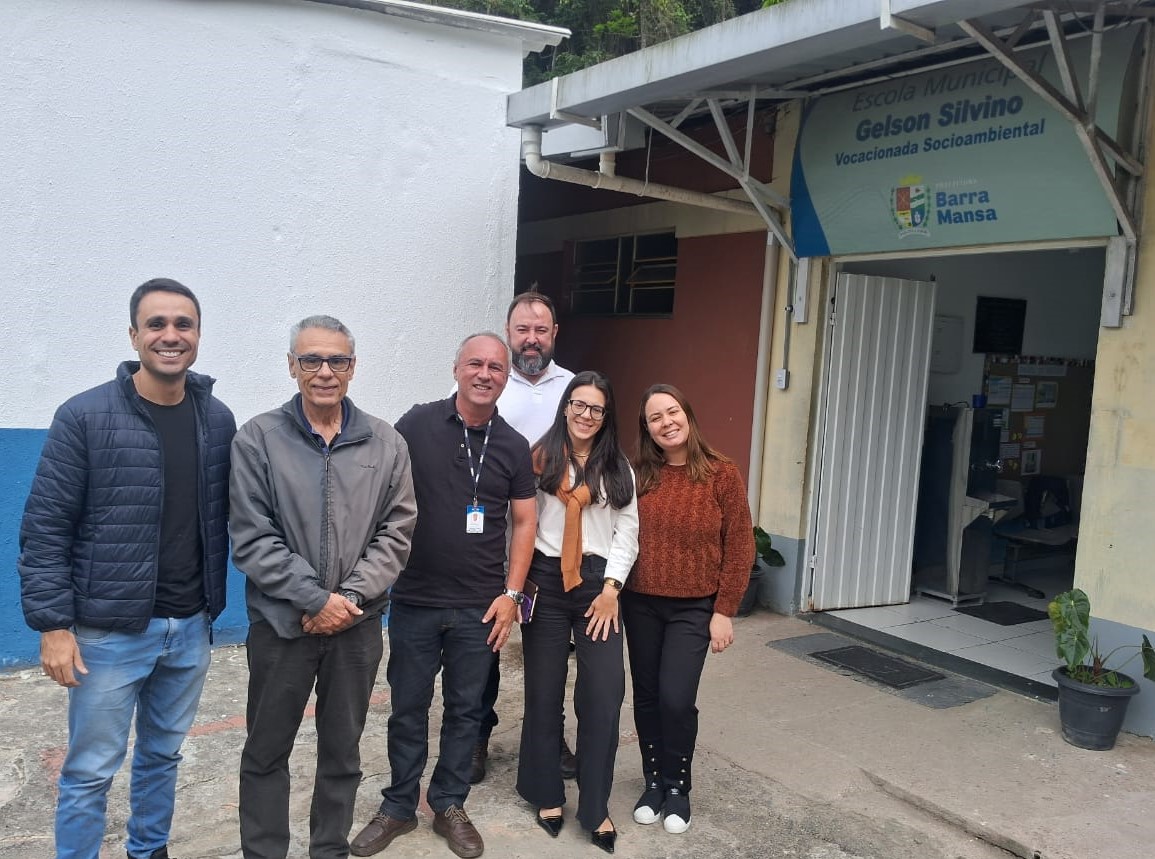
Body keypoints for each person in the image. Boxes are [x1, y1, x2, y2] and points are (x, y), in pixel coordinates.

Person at [17, 278, 236, 859]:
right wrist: (54, 625)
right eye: (156, 324)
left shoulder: (217, 419)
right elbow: (45, 527)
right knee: (90, 770)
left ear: (198, 335)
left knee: (163, 755)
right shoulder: (84, 416)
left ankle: (149, 849)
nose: (171, 335)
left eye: (183, 324)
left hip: (189, 627)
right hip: (108, 634)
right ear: (134, 335)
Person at [229, 315, 417, 859]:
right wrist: (315, 599)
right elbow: (252, 535)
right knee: (266, 752)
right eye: (311, 359)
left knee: (342, 753)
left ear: (353, 367)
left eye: (337, 360)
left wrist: (349, 599)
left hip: (356, 628)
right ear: (292, 366)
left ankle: (329, 850)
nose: (325, 371)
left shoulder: (386, 442)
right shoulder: (258, 439)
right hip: (283, 626)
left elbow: (397, 532)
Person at [350, 333, 536, 859]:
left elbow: (525, 523)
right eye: (475, 363)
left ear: (506, 378)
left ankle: (449, 803)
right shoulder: (416, 424)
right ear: (456, 368)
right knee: (408, 708)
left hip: (481, 606)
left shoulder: (513, 445)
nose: (484, 374)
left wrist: (512, 595)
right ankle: (398, 806)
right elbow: (381, 487)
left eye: (495, 367)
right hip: (416, 599)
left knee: (466, 711)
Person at [622, 384, 754, 835]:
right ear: (647, 429)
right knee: (646, 696)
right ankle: (653, 782)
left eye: (672, 412)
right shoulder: (639, 474)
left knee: (676, 698)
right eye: (655, 418)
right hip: (640, 603)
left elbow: (740, 545)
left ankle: (678, 786)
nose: (666, 423)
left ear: (688, 415)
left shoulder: (721, 473)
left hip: (694, 608)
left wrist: (724, 610)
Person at [516, 371, 638, 855]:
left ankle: (595, 804)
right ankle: (546, 791)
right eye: (579, 405)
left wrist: (612, 589)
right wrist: (514, 585)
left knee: (604, 694)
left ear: (606, 417)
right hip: (545, 580)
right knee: (543, 691)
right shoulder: (539, 458)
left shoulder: (617, 468)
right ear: (566, 406)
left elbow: (627, 532)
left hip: (597, 585)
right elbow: (519, 523)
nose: (586, 415)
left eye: (596, 409)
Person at [473, 290, 576, 784]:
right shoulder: (491, 382)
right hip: (490, 540)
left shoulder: (575, 388)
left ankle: (549, 737)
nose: (531, 339)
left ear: (554, 333)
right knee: (483, 644)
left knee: (547, 652)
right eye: (522, 330)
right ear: (509, 333)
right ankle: (475, 737)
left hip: (552, 544)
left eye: (540, 330)